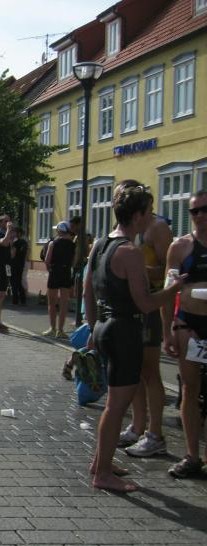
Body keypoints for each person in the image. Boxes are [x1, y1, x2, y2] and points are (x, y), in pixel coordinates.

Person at [84, 180, 184, 492]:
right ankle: (102, 473)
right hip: (125, 330)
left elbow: (87, 290)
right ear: (137, 216)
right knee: (117, 405)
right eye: (149, 212)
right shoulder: (130, 252)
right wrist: (174, 288)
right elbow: (145, 302)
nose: (152, 217)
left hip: (104, 325)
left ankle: (100, 461)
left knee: (115, 402)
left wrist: (91, 327)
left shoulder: (101, 244)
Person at [119, 214, 173, 458]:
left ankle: (155, 434)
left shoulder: (157, 229)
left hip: (149, 307)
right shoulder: (126, 228)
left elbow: (167, 272)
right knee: (135, 369)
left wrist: (135, 267)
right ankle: (137, 426)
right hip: (129, 307)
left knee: (150, 371)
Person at [164, 189, 207, 477]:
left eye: (205, 209)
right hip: (188, 324)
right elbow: (168, 292)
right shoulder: (180, 247)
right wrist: (167, 331)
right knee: (190, 389)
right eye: (195, 211)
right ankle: (192, 455)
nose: (200, 215)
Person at [43, 222, 76, 337]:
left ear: (59, 231)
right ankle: (60, 330)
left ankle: (52, 328)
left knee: (52, 302)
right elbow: (74, 262)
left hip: (54, 272)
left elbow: (47, 260)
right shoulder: (72, 244)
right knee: (64, 303)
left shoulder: (53, 243)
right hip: (66, 273)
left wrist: (50, 269)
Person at [0, 215, 15, 333]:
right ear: (0, 223)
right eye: (6, 221)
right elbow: (4, 243)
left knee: (2, 294)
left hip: (6, 267)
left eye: (9, 221)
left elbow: (11, 251)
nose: (8, 223)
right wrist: (9, 231)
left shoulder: (6, 235)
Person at [10, 226, 28, 305]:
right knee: (19, 281)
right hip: (21, 264)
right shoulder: (25, 242)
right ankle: (23, 299)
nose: (12, 233)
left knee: (13, 282)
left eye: (14, 232)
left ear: (18, 233)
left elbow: (12, 255)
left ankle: (15, 300)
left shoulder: (15, 243)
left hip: (14, 264)